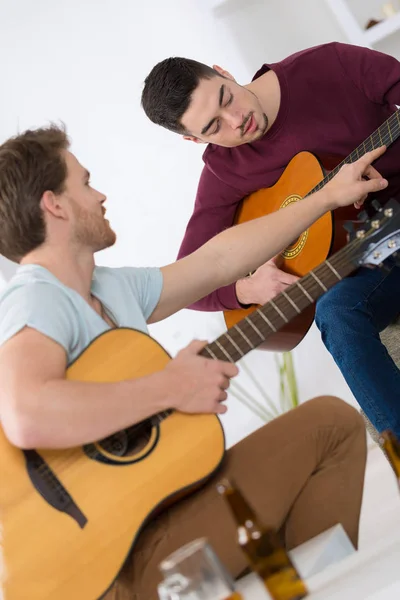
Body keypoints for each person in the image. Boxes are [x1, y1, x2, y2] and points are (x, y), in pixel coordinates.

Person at [0, 126, 382, 599]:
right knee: (328, 430)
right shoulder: (36, 296)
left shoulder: (111, 287)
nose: (100, 196)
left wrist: (324, 199)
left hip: (160, 518)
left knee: (330, 424)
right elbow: (24, 414)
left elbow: (219, 261)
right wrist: (171, 387)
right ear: (53, 205)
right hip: (110, 567)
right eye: (85, 183)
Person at [141, 42, 400, 439]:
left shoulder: (329, 65)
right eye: (214, 127)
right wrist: (245, 288)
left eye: (227, 98)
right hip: (369, 257)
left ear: (222, 71)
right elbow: (188, 278)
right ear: (194, 140)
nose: (236, 120)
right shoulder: (224, 171)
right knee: (335, 314)